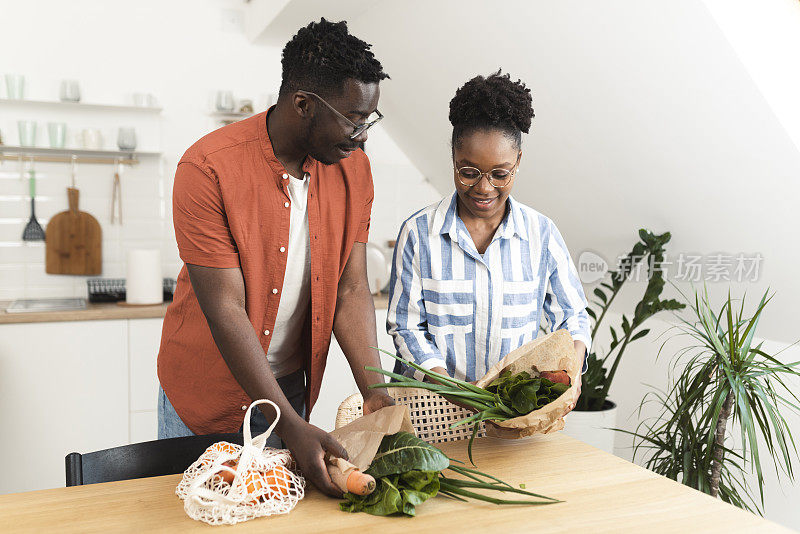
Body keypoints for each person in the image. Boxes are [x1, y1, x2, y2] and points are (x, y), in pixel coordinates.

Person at [157, 18, 394, 496]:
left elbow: (351, 290)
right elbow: (225, 309)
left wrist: (376, 392)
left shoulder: (355, 170)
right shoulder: (206, 168)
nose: (363, 135)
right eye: (353, 120)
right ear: (303, 104)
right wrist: (287, 422)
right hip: (204, 397)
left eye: (370, 120)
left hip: (289, 388)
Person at [387, 71, 591, 411]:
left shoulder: (541, 234)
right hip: (429, 412)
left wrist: (572, 371)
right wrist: (454, 390)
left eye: (500, 174)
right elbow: (406, 327)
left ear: (518, 162)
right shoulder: (419, 233)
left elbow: (572, 317)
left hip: (511, 414)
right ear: (453, 158)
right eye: (468, 172)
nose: (484, 188)